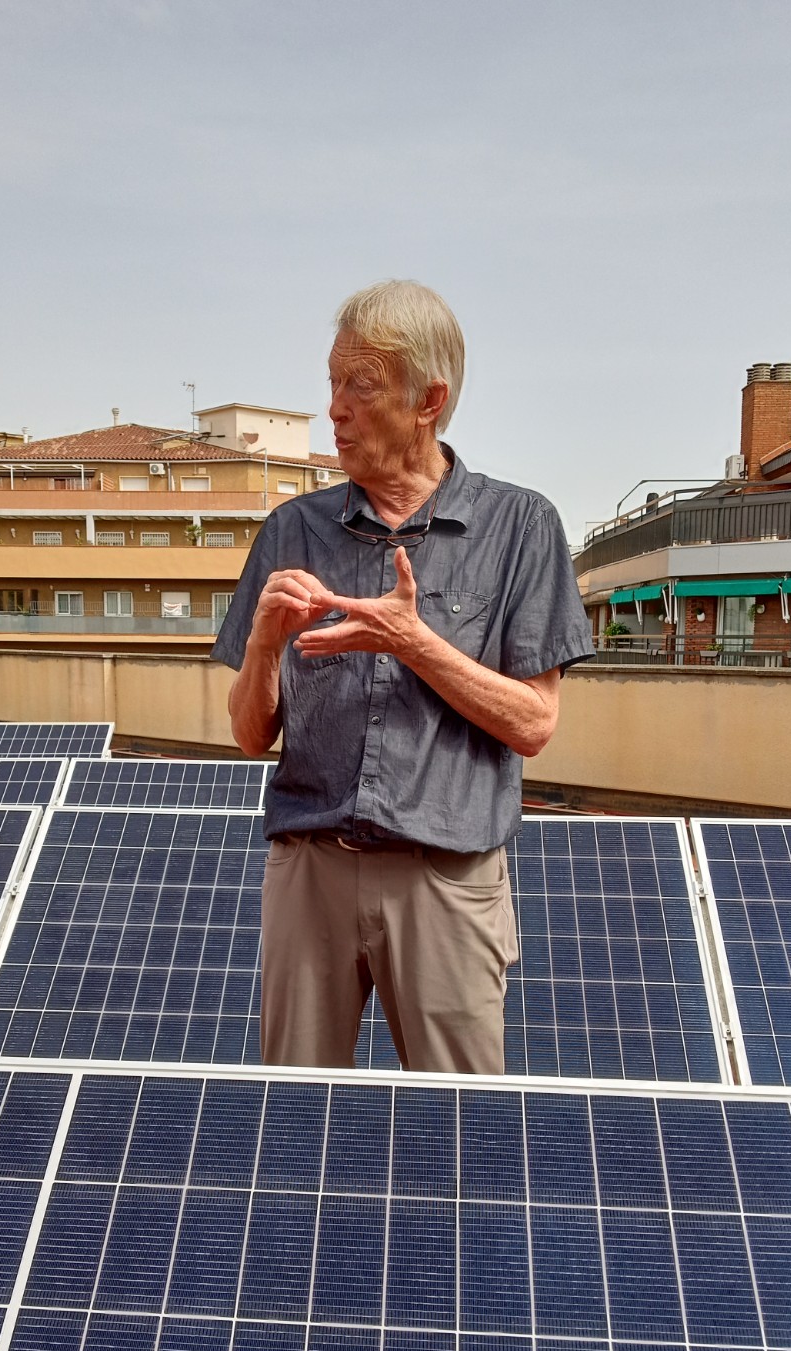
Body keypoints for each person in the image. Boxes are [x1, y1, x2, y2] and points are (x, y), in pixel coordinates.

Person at [212, 281, 593, 1073]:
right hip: (309, 871)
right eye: (331, 381)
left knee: (459, 1133)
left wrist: (413, 643)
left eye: (361, 384)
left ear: (429, 400)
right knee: (291, 1122)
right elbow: (250, 735)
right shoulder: (292, 530)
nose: (334, 410)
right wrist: (261, 646)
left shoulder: (521, 527)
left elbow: (534, 724)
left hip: (446, 883)